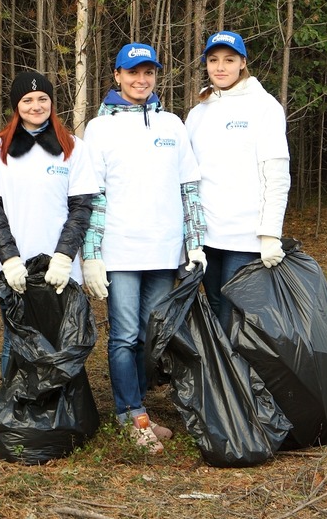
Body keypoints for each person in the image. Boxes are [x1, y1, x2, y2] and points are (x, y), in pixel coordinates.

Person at [81, 42, 206, 454]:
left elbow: (189, 188)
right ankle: (129, 415)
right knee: (124, 335)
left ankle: (142, 414)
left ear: (155, 77)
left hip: (164, 250)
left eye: (148, 72)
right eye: (132, 73)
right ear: (116, 76)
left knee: (150, 339)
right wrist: (92, 254)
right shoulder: (100, 128)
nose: (141, 80)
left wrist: (195, 243)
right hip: (120, 252)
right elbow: (92, 194)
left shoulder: (172, 125)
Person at [0, 71, 97, 375]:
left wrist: (63, 256)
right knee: (15, 341)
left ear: (51, 103)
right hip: (15, 268)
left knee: (61, 344)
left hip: (60, 267)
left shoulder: (73, 148)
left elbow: (81, 208)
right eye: (27, 99)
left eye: (42, 98)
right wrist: (10, 258)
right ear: (16, 105)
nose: (36, 105)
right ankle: (13, 414)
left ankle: (59, 417)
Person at [185, 30, 290, 332]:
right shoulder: (198, 112)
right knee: (216, 305)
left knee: (235, 313)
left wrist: (270, 232)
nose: (220, 67)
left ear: (243, 62)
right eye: (213, 60)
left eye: (229, 60)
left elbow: (277, 173)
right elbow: (189, 177)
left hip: (245, 236)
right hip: (206, 235)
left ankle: (238, 378)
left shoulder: (264, 107)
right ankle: (222, 376)